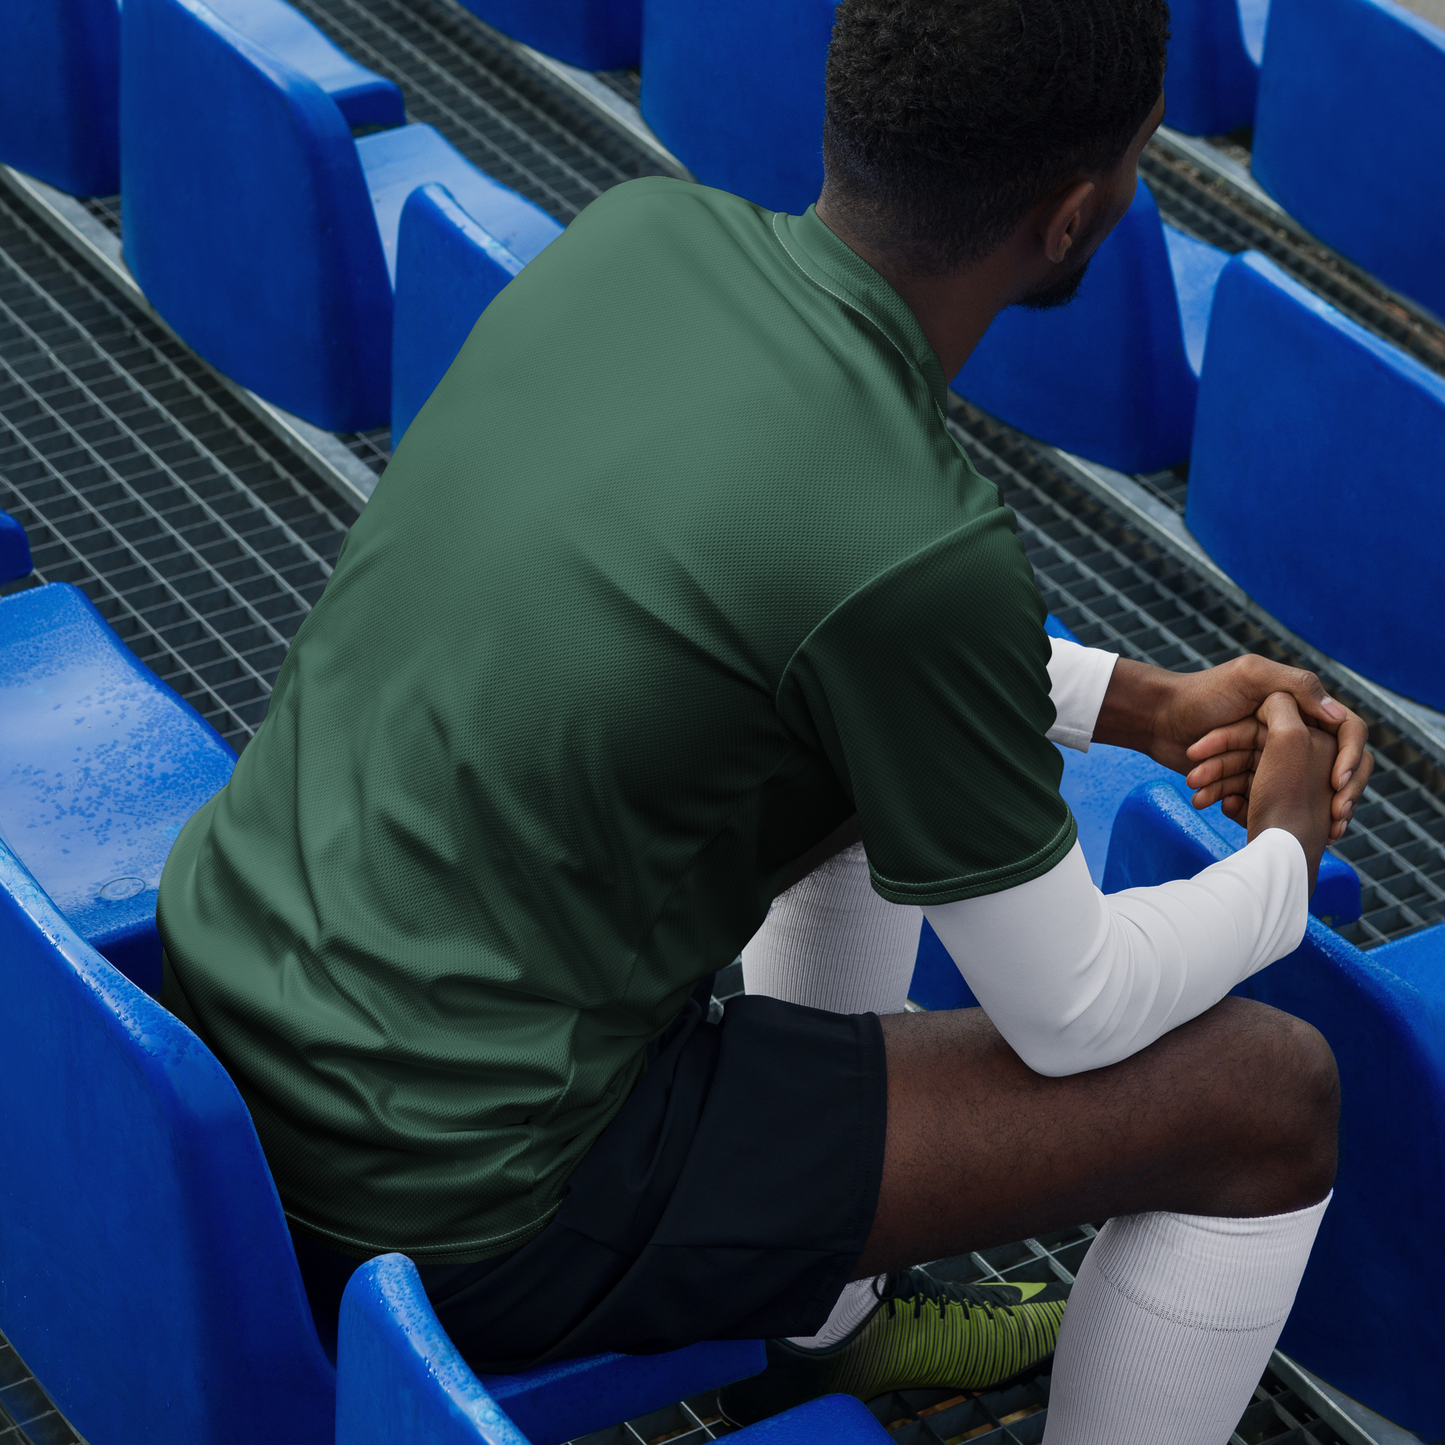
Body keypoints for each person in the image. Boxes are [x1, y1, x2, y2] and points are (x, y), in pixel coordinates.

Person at [156, 0, 1374, 1440]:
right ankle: (821, 1318)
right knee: (1266, 1097)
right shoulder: (915, 541)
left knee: (856, 769)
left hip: (234, 1043)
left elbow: (802, 626)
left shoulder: (638, 238)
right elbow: (1073, 1009)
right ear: (1074, 219)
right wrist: (1283, 863)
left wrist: (1138, 703)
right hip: (465, 1197)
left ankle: (830, 1335)